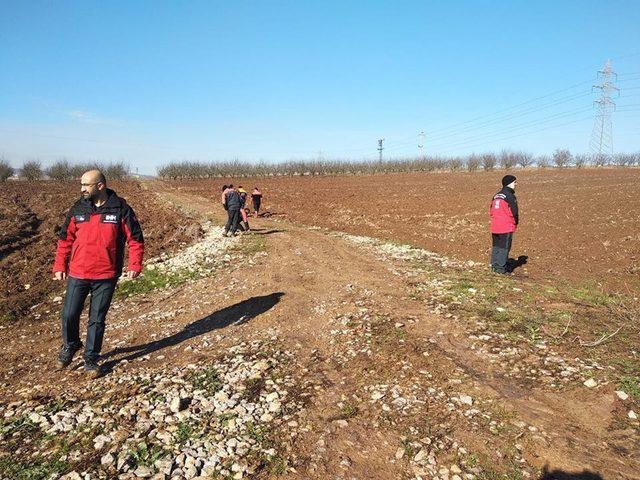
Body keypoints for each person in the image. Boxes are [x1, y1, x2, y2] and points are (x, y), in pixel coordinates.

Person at [52, 169, 144, 377]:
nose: (82, 189)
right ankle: (71, 344)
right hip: (78, 272)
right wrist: (60, 265)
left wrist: (135, 265)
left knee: (97, 319)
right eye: (81, 185)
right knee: (68, 314)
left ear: (100, 186)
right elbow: (65, 240)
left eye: (86, 185)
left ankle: (91, 358)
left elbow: (136, 239)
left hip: (106, 274)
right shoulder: (78, 208)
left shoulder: (121, 209)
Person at [489, 174, 519, 274]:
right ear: (509, 183)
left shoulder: (496, 195)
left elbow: (491, 211)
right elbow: (514, 212)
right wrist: (515, 222)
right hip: (506, 226)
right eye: (515, 182)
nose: (516, 184)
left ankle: (494, 266)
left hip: (495, 226)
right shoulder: (510, 196)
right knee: (504, 247)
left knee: (496, 246)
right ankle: (501, 269)